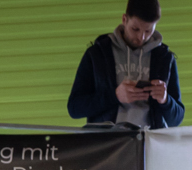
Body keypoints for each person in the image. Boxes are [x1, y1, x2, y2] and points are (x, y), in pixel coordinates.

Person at [68, 0, 183, 128]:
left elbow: (177, 119)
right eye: (135, 29)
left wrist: (165, 100)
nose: (141, 37)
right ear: (124, 19)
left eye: (148, 31)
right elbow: (74, 108)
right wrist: (115, 95)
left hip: (150, 139)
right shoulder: (97, 54)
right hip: (108, 139)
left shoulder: (164, 58)